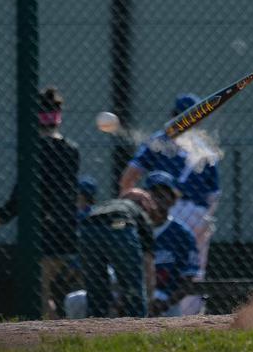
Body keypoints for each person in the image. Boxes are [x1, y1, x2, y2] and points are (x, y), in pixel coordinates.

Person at [118, 93, 221, 315]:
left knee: (158, 260)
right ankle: (191, 318)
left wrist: (130, 202)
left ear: (173, 115)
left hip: (167, 209)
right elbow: (214, 194)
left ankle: (153, 310)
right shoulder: (203, 145)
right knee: (194, 270)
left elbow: (129, 177)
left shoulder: (161, 138)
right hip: (200, 213)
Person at [0, 85, 81, 319]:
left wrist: (3, 215)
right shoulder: (71, 150)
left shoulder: (34, 150)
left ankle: (53, 334)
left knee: (41, 293)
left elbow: (23, 191)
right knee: (71, 290)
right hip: (68, 228)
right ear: (58, 119)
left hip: (40, 230)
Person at [75, 189, 155, 318]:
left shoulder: (106, 204)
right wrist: (149, 296)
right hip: (120, 224)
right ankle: (137, 321)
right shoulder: (139, 212)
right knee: (132, 286)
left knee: (95, 286)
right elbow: (147, 260)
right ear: (143, 203)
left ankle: (95, 321)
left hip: (87, 228)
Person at [142, 171, 201, 317]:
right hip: (134, 297)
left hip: (166, 302)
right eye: (154, 194)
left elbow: (188, 281)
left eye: (163, 194)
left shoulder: (183, 235)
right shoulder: (134, 229)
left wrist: (164, 304)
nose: (157, 199)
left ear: (173, 200)